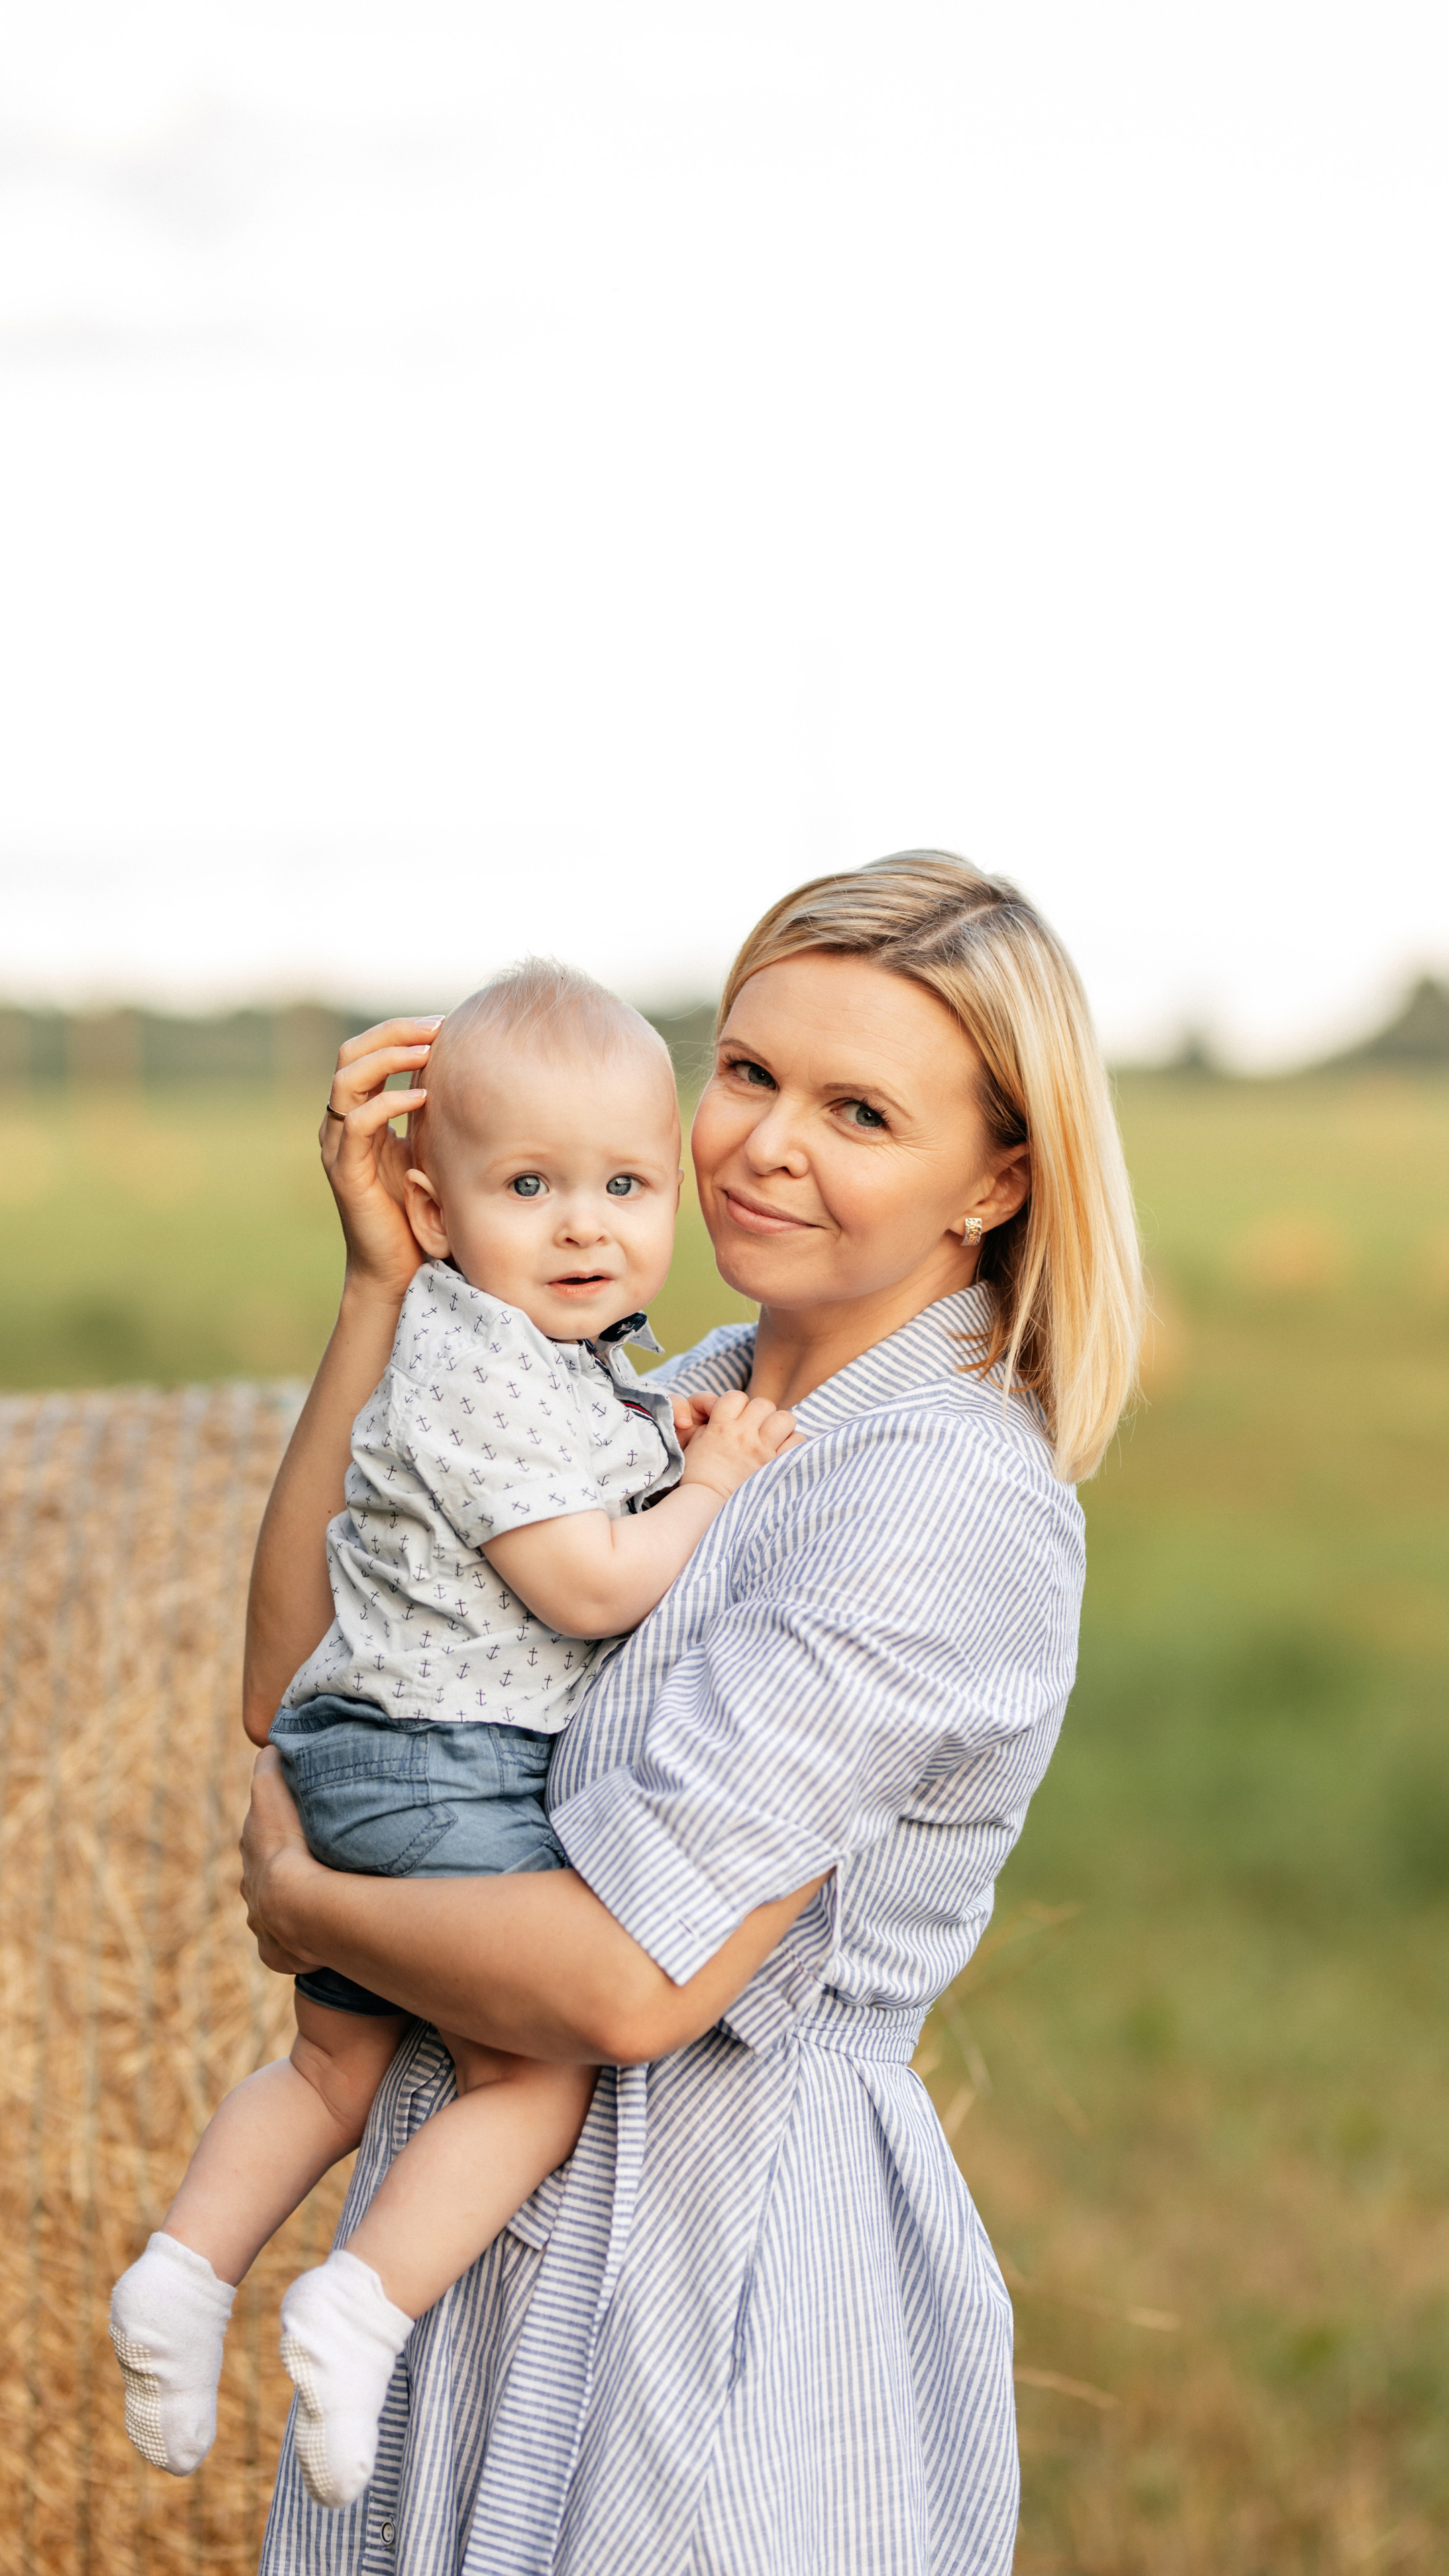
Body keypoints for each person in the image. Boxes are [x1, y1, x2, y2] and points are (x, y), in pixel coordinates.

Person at [239, 853, 1144, 2575]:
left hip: (709, 2287)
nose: (758, 1145)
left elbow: (629, 1987)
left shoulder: (935, 1497)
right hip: (468, 2245)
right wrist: (383, 1296)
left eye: (858, 1112)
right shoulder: (653, 1399)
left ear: (995, 1180)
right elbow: (293, 1690)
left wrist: (308, 1909)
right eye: (746, 1072)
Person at [109, 963, 797, 2506]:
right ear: (428, 1206)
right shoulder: (479, 1358)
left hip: (368, 1752)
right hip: (447, 1762)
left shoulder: (549, 1365)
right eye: (530, 1184)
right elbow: (585, 1585)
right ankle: (358, 2309)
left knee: (328, 2065)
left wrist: (660, 1441)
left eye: (623, 1183)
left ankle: (181, 2271)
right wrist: (705, 1489)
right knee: (528, 2081)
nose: (583, 1225)